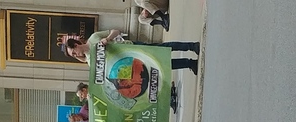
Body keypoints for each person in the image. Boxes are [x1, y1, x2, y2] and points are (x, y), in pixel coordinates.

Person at [64, 29, 200, 75]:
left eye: (74, 52)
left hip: (131, 47)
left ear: (76, 44)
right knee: (160, 66)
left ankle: (192, 46)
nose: (76, 55)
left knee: (162, 48)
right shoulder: (89, 61)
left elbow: (115, 31)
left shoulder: (94, 38)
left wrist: (107, 39)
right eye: (73, 56)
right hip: (130, 62)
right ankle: (189, 63)